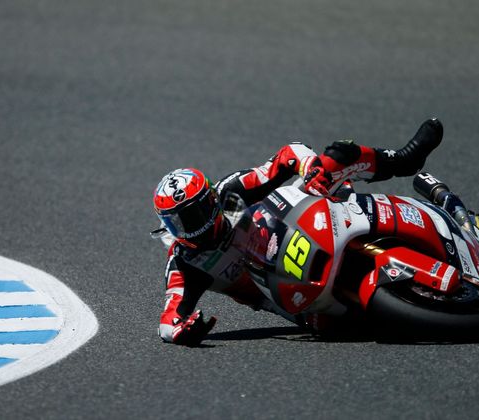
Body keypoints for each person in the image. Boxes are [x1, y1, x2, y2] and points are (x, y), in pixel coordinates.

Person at [152, 118, 444, 346]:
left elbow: (287, 155)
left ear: (212, 199)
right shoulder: (185, 262)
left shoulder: (231, 194)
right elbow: (168, 320)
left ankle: (404, 160)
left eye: (196, 214)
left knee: (336, 156)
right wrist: (181, 331)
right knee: (343, 329)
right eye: (179, 223)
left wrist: (309, 167)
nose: (192, 228)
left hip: (298, 222)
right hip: (289, 296)